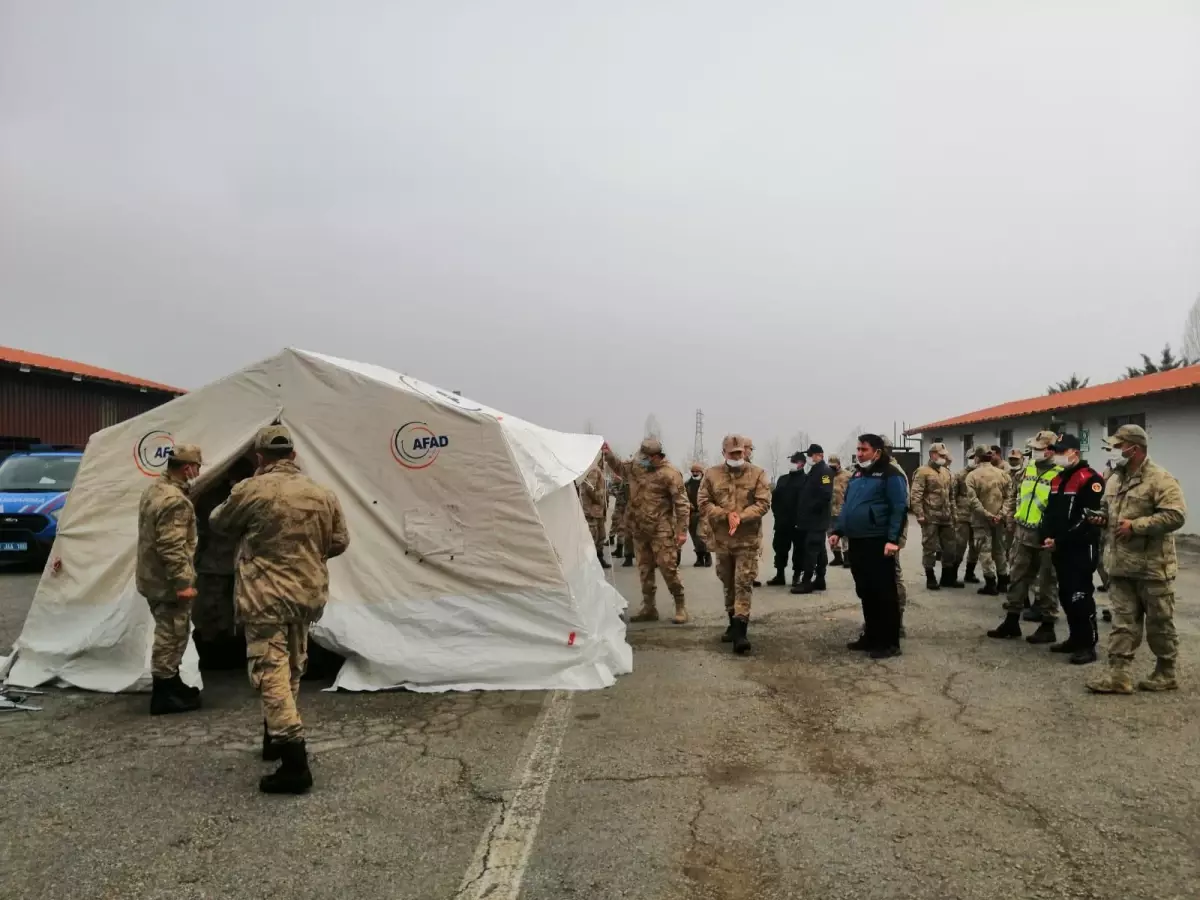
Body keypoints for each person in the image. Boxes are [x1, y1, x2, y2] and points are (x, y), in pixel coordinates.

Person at [209, 425, 349, 794]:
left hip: (264, 597)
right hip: (307, 594)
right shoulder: (322, 493)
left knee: (269, 670)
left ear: (260, 457)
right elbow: (339, 542)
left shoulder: (250, 490)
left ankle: (294, 762)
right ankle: (275, 733)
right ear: (293, 454)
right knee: (292, 665)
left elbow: (218, 523)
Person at [1086, 425, 1187, 694]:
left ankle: (1166, 672)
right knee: (1122, 623)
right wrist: (1101, 518)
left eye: (1119, 446)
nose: (1115, 451)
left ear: (1135, 448)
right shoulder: (1115, 479)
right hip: (1120, 565)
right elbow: (1109, 513)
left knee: (1159, 623)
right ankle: (1119, 676)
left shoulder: (1161, 479)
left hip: (1152, 568)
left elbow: (1176, 516)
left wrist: (1137, 525)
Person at [136, 443, 205, 716]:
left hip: (151, 577)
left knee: (171, 631)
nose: (198, 472)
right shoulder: (174, 500)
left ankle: (171, 682)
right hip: (166, 583)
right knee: (172, 633)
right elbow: (171, 546)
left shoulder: (154, 489)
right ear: (187, 468)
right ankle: (164, 693)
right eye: (197, 467)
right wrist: (183, 583)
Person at [830, 434, 907, 659]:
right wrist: (838, 531)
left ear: (877, 451)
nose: (859, 453)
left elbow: (898, 508)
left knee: (884, 591)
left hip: (878, 540)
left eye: (864, 449)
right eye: (858, 449)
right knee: (865, 590)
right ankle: (871, 635)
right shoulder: (857, 474)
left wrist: (893, 540)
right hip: (857, 540)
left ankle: (890, 641)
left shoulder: (890, 475)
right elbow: (848, 506)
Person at [602, 439, 690, 623]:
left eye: (645, 457)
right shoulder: (636, 468)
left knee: (668, 568)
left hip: (661, 530)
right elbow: (619, 468)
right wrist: (608, 454)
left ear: (656, 457)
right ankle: (649, 608)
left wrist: (682, 531)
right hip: (639, 529)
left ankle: (680, 606)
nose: (640, 460)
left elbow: (682, 504)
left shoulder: (670, 474)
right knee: (644, 570)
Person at [698, 435, 771, 654]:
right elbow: (703, 501)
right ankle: (732, 621)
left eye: (740, 453)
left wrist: (741, 516)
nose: (737, 457)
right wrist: (725, 514)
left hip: (746, 541)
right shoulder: (712, 474)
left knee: (743, 582)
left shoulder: (757, 474)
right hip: (722, 540)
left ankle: (741, 630)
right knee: (728, 582)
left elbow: (763, 503)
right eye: (732, 454)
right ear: (724, 453)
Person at [1036, 433, 1104, 665]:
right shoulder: (1057, 479)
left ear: (1074, 452)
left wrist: (1061, 540)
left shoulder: (1090, 478)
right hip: (1059, 547)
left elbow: (1088, 519)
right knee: (1065, 594)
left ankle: (1088, 644)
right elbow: (1050, 512)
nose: (1056, 455)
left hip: (1081, 546)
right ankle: (1075, 638)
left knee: (1080, 595)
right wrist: (1045, 536)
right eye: (1055, 450)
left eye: (1060, 451)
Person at [989, 431, 1062, 643]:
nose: (1035, 452)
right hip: (1022, 532)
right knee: (1017, 576)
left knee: (1048, 581)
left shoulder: (1060, 473)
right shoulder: (1027, 469)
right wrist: (1010, 518)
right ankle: (1011, 621)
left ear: (1050, 450)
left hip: (1046, 535)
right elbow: (1015, 494)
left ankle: (1047, 625)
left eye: (1040, 448)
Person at [192, 456, 257, 668]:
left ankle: (218, 651)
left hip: (221, 563)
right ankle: (220, 651)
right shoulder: (244, 496)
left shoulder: (213, 495)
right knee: (217, 610)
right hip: (224, 563)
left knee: (219, 610)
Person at [964, 446, 1011, 596]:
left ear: (977, 458)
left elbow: (972, 500)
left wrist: (987, 514)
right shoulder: (1003, 475)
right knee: (1000, 549)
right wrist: (1000, 514)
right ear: (991, 457)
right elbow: (1010, 498)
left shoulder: (972, 476)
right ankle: (1003, 581)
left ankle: (990, 583)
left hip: (981, 520)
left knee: (984, 550)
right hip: (999, 519)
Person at [909, 442, 957, 590]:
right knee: (929, 547)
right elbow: (916, 494)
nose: (943, 458)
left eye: (944, 455)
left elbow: (951, 495)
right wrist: (919, 514)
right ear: (932, 454)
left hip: (946, 516)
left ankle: (947, 578)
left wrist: (954, 513)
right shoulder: (922, 472)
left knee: (950, 548)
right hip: (930, 517)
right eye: (940, 455)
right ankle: (930, 577)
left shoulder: (946, 472)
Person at [791, 443, 834, 594]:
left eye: (811, 455)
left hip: (817, 520)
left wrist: (811, 509)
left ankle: (807, 581)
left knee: (810, 550)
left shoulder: (824, 472)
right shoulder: (815, 470)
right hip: (812, 520)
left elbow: (825, 495)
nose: (809, 458)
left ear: (819, 455)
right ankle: (820, 579)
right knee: (819, 550)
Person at [767, 451, 806, 585]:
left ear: (802, 464)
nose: (792, 464)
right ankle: (780, 575)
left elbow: (807, 503)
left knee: (799, 550)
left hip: (798, 523)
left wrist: (801, 519)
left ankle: (796, 576)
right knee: (779, 548)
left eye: (795, 461)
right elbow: (775, 499)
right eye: (792, 461)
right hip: (782, 522)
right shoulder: (783, 479)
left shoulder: (806, 480)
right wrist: (777, 515)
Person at [578, 460, 611, 569]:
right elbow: (589, 488)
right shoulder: (592, 470)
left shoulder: (597, 469)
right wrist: (600, 499)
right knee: (593, 537)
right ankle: (592, 562)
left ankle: (599, 558)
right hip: (592, 511)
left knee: (601, 536)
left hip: (598, 511)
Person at [952, 457, 978, 584]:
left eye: (976, 458)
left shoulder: (981, 474)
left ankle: (970, 573)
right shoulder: (960, 475)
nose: (974, 460)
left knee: (975, 546)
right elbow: (953, 495)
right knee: (959, 545)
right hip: (962, 515)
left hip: (978, 515)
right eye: (972, 458)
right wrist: (954, 512)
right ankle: (953, 573)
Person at [683, 463, 711, 567]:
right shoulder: (687, 484)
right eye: (693, 472)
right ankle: (699, 557)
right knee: (694, 537)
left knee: (702, 535)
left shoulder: (706, 484)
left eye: (697, 472)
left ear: (701, 472)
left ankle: (707, 555)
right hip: (691, 514)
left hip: (703, 514)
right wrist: (688, 504)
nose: (695, 474)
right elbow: (683, 497)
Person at [828, 455, 850, 566]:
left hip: (843, 509)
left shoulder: (847, 475)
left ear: (839, 464)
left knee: (845, 534)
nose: (832, 468)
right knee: (831, 533)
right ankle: (837, 557)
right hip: (830, 510)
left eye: (834, 466)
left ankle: (847, 557)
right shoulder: (826, 476)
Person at [610, 473, 634, 567]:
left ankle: (629, 555)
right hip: (624, 509)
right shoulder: (625, 481)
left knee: (628, 533)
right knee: (625, 532)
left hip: (627, 510)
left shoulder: (629, 482)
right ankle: (627, 555)